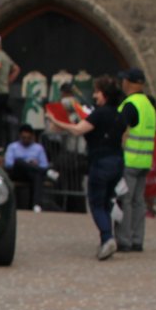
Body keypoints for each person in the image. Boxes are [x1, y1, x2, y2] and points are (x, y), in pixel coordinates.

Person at [46, 74, 126, 259]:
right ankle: (107, 238)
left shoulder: (100, 114)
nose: (95, 95)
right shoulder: (119, 115)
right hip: (117, 161)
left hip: (101, 162)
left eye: (97, 92)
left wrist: (54, 120)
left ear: (105, 94)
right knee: (106, 201)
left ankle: (107, 238)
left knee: (96, 202)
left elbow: (78, 130)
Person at [113, 67, 156, 251]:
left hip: (129, 159)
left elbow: (118, 128)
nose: (122, 83)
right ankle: (138, 240)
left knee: (125, 201)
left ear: (129, 82)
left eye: (124, 80)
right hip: (145, 160)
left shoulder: (130, 104)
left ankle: (125, 240)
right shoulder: (149, 104)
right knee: (139, 202)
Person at [5, 124, 52, 212]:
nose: (26, 140)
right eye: (24, 138)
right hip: (17, 173)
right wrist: (27, 163)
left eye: (28, 138)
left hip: (32, 173)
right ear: (20, 136)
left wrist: (34, 164)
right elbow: (9, 164)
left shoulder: (38, 148)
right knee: (19, 162)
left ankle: (36, 205)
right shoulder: (13, 147)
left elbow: (44, 165)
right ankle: (47, 173)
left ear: (32, 137)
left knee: (38, 175)